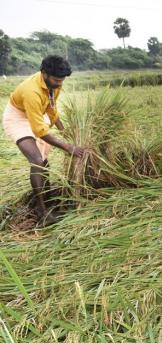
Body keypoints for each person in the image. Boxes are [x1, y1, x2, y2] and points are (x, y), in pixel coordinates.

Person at [2, 55, 85, 227]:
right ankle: (42, 212)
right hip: (17, 117)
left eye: (62, 80)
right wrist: (67, 146)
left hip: (36, 115)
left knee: (45, 162)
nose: (60, 84)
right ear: (44, 73)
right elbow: (39, 130)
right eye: (56, 80)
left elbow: (51, 108)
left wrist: (65, 131)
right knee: (37, 161)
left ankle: (47, 199)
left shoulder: (54, 84)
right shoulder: (31, 91)